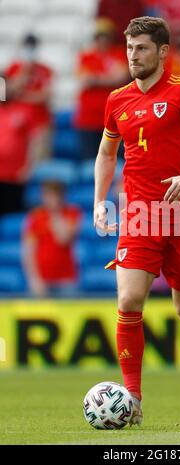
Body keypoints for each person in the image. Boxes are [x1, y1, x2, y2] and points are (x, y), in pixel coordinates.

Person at [94, 16, 180, 425]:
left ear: (163, 52)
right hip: (139, 214)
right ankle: (131, 399)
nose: (133, 55)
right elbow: (105, 153)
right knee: (129, 300)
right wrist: (100, 201)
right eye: (129, 48)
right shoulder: (116, 100)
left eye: (142, 48)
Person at [73, 18, 129, 160]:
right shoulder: (86, 56)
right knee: (90, 162)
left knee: (116, 161)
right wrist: (107, 78)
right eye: (100, 36)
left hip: (115, 118)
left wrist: (96, 79)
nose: (103, 40)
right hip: (89, 119)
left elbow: (121, 77)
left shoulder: (119, 54)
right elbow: (84, 79)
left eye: (106, 36)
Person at [22, 181, 82, 297]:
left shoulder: (72, 213)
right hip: (42, 279)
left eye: (55, 196)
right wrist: (34, 279)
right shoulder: (35, 217)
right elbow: (29, 251)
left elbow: (63, 239)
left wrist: (55, 214)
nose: (51, 199)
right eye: (48, 195)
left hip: (66, 279)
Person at [5, 34, 53, 163]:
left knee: (38, 162)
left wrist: (21, 95)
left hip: (39, 123)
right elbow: (6, 94)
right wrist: (23, 74)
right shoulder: (12, 68)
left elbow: (45, 96)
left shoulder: (45, 70)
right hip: (16, 124)